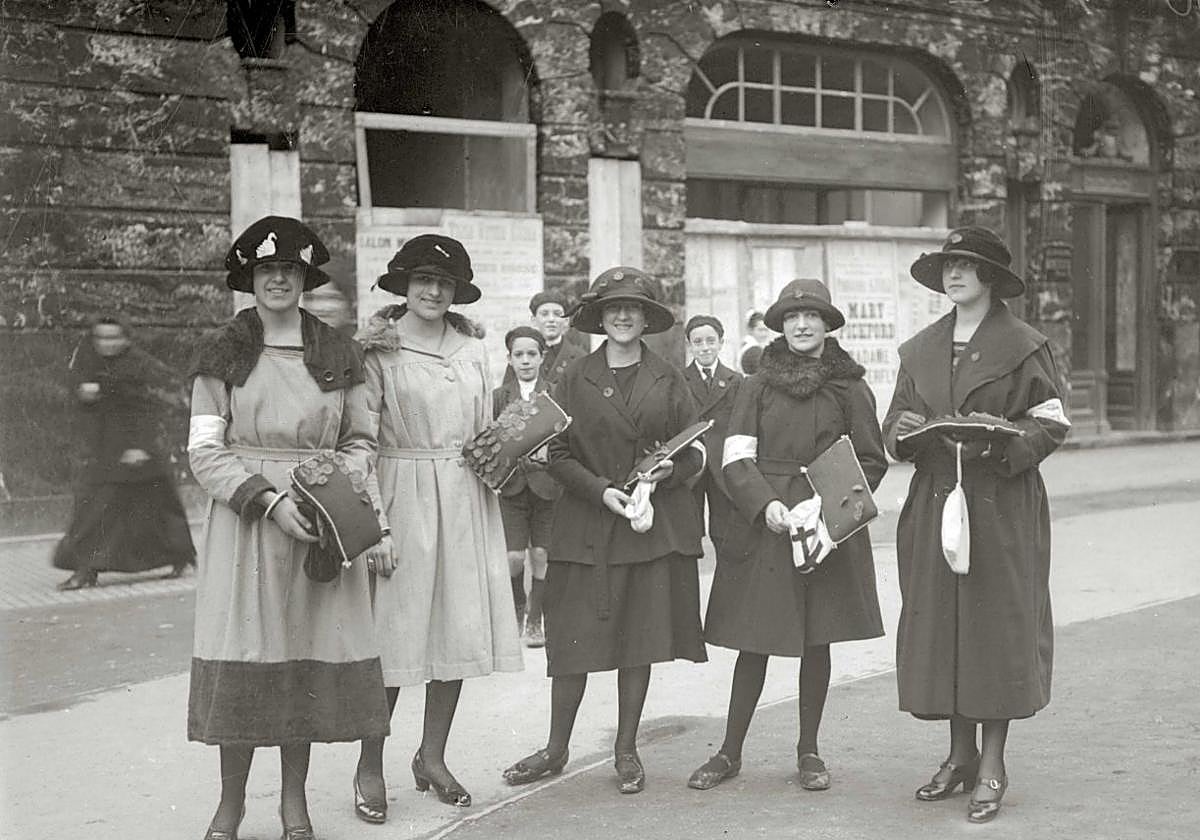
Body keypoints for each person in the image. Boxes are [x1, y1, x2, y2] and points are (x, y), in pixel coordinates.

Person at [187, 216, 391, 840]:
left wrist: (331, 493)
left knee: (302, 659)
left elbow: (361, 440)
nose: (278, 278)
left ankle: (293, 805)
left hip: (320, 521)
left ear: (304, 278)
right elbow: (205, 451)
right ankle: (231, 804)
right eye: (267, 269)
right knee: (247, 654)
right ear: (250, 279)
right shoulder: (223, 353)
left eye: (291, 269)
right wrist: (271, 501)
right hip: (249, 527)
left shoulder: (337, 351)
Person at [882, 227, 1070, 823]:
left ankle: (993, 762)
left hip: (1001, 506)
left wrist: (1001, 443)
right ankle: (959, 756)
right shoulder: (920, 347)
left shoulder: (1024, 343)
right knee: (944, 630)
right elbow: (896, 421)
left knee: (995, 633)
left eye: (966, 266)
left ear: (990, 278)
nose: (954, 275)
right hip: (935, 500)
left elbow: (1051, 420)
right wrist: (907, 434)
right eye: (947, 266)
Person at [502, 267, 708, 795]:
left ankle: (626, 749)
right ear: (598, 317)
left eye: (632, 308)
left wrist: (669, 472)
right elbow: (556, 454)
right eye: (612, 308)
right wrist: (599, 490)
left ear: (645, 319)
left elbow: (696, 447)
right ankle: (555, 748)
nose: (622, 315)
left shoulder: (668, 376)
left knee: (637, 643)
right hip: (584, 525)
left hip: (643, 529)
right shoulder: (573, 377)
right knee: (572, 643)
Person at [689, 278, 887, 792]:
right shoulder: (756, 384)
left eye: (813, 316)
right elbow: (734, 455)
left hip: (826, 529)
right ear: (780, 325)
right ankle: (729, 752)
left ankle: (809, 753)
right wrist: (767, 505)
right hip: (766, 527)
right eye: (793, 317)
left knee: (816, 640)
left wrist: (824, 507)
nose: (802, 325)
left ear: (827, 325)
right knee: (753, 643)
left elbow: (871, 459)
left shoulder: (850, 387)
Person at [354, 234, 523, 821]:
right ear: (403, 285)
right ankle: (369, 764)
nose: (432, 290)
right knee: (395, 637)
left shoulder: (473, 350)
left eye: (444, 283)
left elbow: (486, 431)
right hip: (402, 496)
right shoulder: (378, 351)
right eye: (422, 279)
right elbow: (361, 443)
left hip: (464, 499)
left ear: (457, 293)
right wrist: (375, 525)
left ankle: (432, 756)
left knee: (455, 630)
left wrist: (514, 447)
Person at [54, 316, 195, 590]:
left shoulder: (138, 364)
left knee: (148, 508)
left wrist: (138, 446)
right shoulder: (91, 360)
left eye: (114, 338)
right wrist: (85, 395)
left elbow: (146, 409)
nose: (107, 344)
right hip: (105, 449)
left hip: (136, 449)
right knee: (96, 509)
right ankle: (87, 569)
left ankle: (179, 557)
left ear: (126, 339)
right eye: (102, 338)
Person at [493, 325, 560, 647]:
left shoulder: (555, 394)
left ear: (542, 357)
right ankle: (518, 605)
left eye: (531, 354)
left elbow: (565, 436)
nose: (525, 361)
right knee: (515, 557)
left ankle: (536, 620)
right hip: (511, 488)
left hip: (547, 486)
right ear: (509, 358)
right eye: (518, 355)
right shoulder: (499, 397)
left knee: (543, 553)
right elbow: (489, 441)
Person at [681, 314, 742, 546]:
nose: (705, 348)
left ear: (721, 343)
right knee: (689, 530)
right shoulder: (678, 380)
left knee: (726, 531)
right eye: (698, 342)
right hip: (692, 464)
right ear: (689, 345)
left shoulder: (735, 380)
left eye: (710, 341)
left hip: (722, 463)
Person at [501, 289, 587, 388]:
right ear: (534, 320)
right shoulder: (520, 355)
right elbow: (507, 394)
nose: (551, 319)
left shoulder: (580, 357)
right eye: (544, 314)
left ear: (566, 321)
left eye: (557, 314)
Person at [738, 309, 770, 373]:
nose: (764, 334)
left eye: (766, 330)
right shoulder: (754, 350)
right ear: (750, 330)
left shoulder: (746, 345)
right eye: (760, 330)